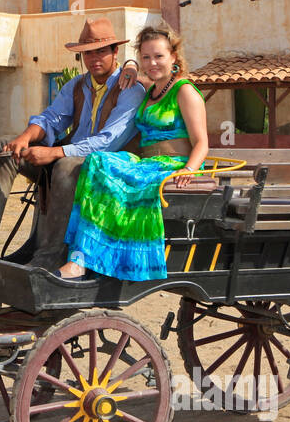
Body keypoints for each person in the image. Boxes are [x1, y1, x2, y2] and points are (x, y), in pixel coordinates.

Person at [0, 17, 146, 271]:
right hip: (68, 158)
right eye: (88, 53)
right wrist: (24, 138)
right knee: (5, 148)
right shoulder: (77, 85)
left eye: (101, 51)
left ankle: (50, 255)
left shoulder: (130, 89)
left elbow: (107, 142)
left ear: (115, 52)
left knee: (66, 165)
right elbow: (51, 118)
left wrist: (53, 152)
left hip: (105, 170)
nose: (94, 58)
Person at [58, 24, 209, 280]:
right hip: (148, 163)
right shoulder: (152, 90)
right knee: (97, 162)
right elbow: (129, 70)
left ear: (174, 56)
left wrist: (189, 169)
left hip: (175, 165)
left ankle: (97, 258)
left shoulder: (184, 91)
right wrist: (131, 66)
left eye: (159, 56)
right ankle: (82, 255)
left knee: (111, 170)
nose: (152, 62)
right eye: (146, 57)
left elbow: (202, 142)